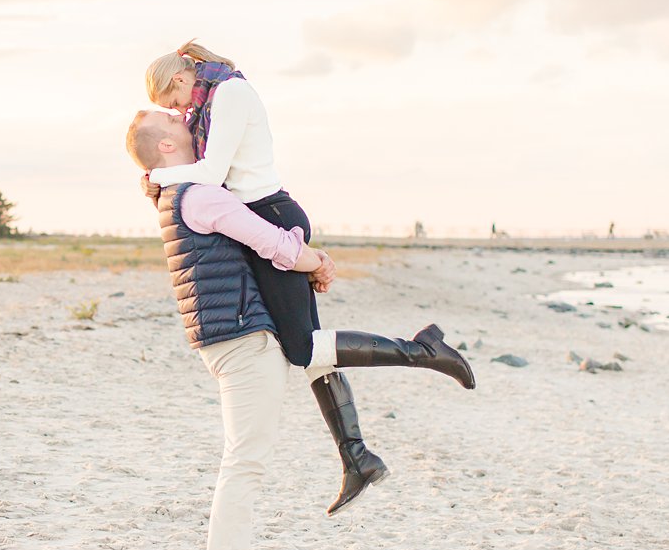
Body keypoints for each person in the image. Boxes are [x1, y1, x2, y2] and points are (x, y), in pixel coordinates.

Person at [126, 110, 476, 550]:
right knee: (243, 463)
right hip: (242, 338)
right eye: (173, 121)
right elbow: (268, 241)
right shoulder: (200, 195)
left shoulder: (178, 194)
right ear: (164, 148)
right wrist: (318, 262)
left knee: (245, 459)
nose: (188, 119)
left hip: (229, 334)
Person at [142, 41, 476, 514]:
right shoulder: (209, 101)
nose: (178, 112)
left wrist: (156, 172)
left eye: (173, 103)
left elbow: (212, 173)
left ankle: (423, 352)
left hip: (271, 216)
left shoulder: (231, 94)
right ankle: (355, 455)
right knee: (309, 344)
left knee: (302, 348)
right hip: (259, 218)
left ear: (179, 80)